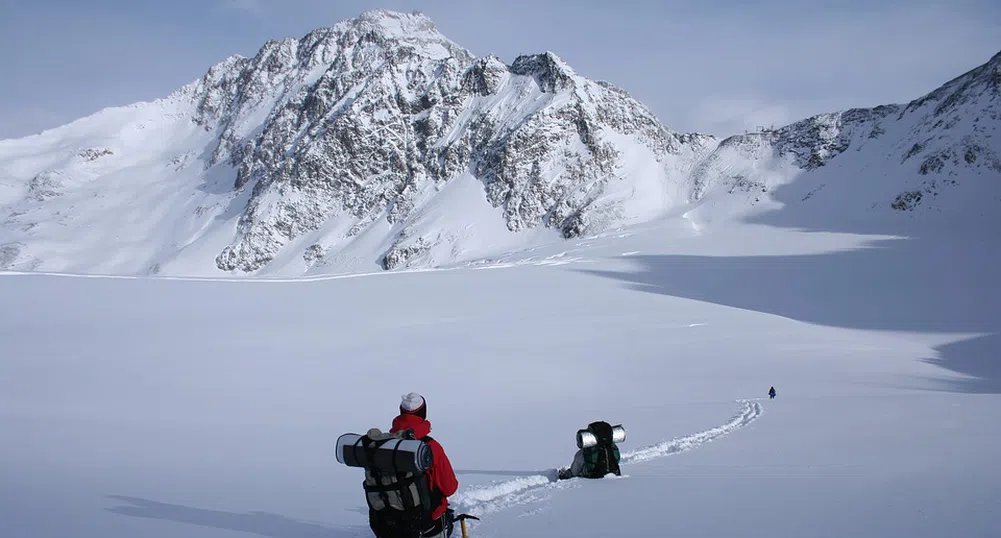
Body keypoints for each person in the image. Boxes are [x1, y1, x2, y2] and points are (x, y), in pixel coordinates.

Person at [368, 392, 459, 538]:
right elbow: (449, 487)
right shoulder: (430, 447)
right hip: (427, 524)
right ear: (423, 414)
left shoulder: (382, 446)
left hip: (387, 523)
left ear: (401, 412)